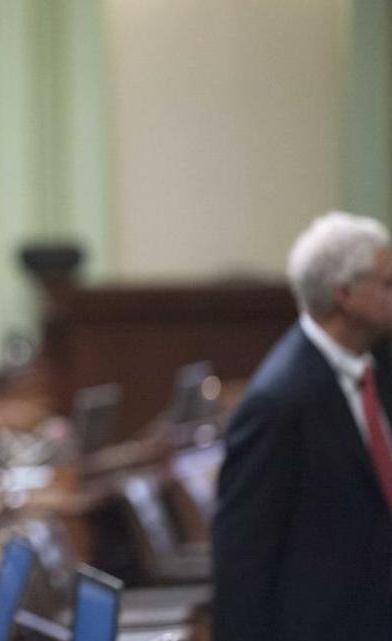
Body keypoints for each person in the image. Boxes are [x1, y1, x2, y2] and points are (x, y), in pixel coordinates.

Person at [212, 211, 392, 641]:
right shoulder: (277, 402)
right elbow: (243, 559)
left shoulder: (376, 362)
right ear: (345, 295)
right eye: (388, 284)